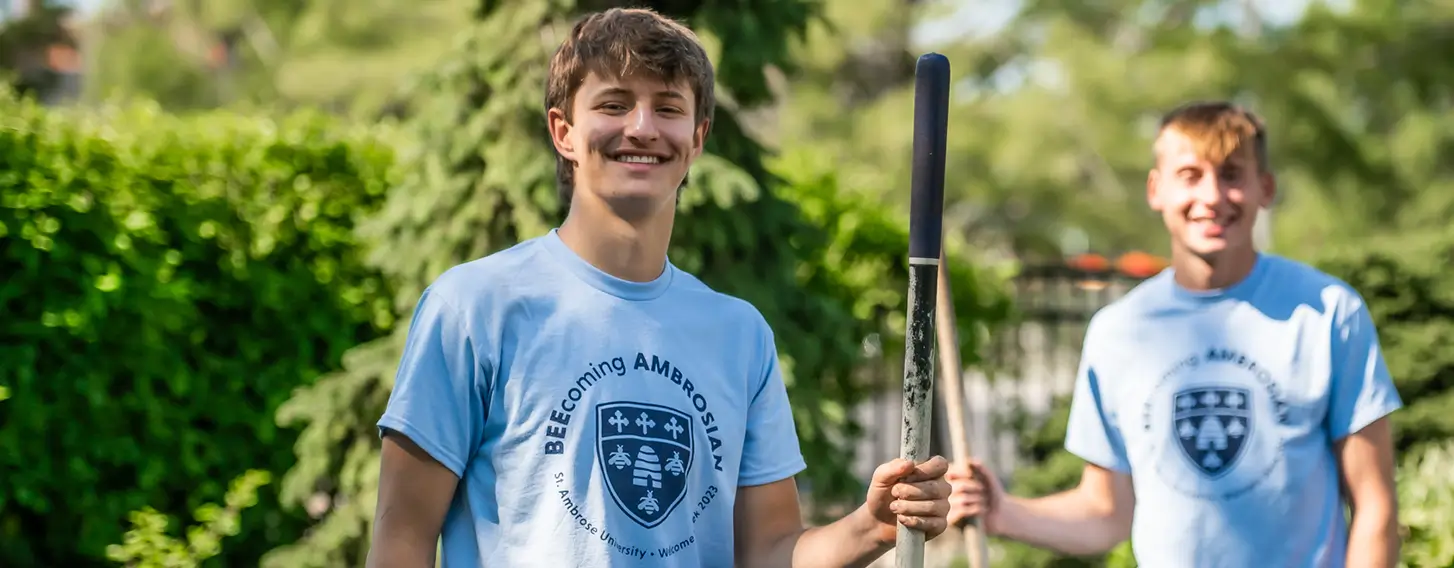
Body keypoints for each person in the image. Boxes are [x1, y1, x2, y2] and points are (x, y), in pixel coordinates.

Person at [364, 7, 952, 568]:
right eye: (614, 104)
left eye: (668, 108)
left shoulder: (738, 334)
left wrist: (874, 524)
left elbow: (767, 552)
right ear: (563, 131)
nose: (642, 129)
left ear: (696, 139)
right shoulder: (475, 306)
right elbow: (401, 541)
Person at [946, 101, 1403, 568]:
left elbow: (1375, 506)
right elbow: (1105, 513)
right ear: (1155, 189)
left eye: (1231, 174)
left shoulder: (1327, 312)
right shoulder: (1118, 331)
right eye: (1190, 175)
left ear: (1265, 188)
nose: (1212, 196)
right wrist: (1004, 512)